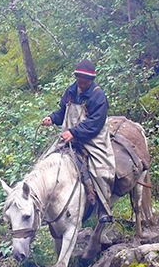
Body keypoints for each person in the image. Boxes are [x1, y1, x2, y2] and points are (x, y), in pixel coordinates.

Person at [41, 59, 116, 241]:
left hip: (92, 138)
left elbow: (94, 124)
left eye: (85, 80)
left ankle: (103, 209)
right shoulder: (71, 91)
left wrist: (74, 132)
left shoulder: (98, 96)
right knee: (45, 162)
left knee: (102, 170)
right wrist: (52, 118)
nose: (81, 83)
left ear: (91, 79)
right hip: (68, 136)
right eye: (79, 78)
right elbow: (62, 113)